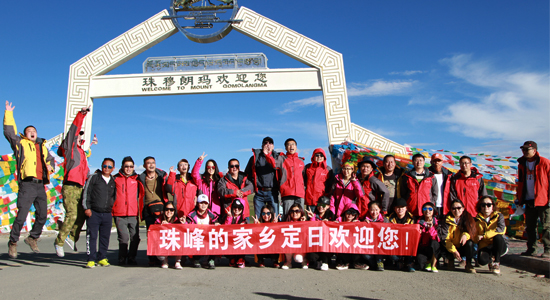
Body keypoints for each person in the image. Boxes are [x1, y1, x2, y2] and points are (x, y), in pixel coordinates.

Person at [4, 101, 54, 258]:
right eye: (29, 131)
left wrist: (50, 167)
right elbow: (9, 133)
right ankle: (13, 242)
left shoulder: (43, 147)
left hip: (40, 185)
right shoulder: (21, 144)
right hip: (27, 184)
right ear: (25, 134)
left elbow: (50, 160)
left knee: (42, 215)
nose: (32, 132)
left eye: (34, 131)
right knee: (22, 214)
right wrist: (9, 114)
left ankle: (32, 238)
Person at [54, 106, 90, 257]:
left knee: (82, 215)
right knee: (72, 215)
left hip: (81, 188)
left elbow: (87, 173)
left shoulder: (82, 153)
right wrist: (81, 115)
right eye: (79, 134)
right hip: (70, 186)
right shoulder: (70, 148)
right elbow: (73, 130)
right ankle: (59, 242)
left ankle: (71, 237)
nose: (81, 136)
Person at [516, 141, 550, 258]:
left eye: (527, 150)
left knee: (546, 226)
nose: (524, 152)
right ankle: (531, 249)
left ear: (534, 150)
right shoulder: (521, 164)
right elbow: (520, 182)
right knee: (530, 226)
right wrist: (519, 198)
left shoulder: (544, 162)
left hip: (543, 200)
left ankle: (548, 249)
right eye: (523, 149)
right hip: (528, 199)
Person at [82, 158, 117, 268]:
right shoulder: (94, 177)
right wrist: (86, 208)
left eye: (109, 167)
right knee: (91, 236)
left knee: (105, 237)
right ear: (101, 166)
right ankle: (91, 259)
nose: (107, 168)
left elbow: (114, 197)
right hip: (94, 212)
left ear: (113, 168)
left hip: (107, 214)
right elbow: (86, 193)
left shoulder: (113, 181)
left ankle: (102, 257)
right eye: (105, 166)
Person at [112, 156, 144, 265]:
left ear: (134, 167)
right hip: (119, 213)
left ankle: (132, 257)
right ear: (122, 167)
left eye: (131, 166)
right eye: (126, 166)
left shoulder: (137, 179)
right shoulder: (115, 178)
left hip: (133, 213)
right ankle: (122, 257)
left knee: (135, 238)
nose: (128, 168)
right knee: (123, 238)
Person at [138, 156, 169, 266]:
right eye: (148, 163)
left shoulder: (162, 176)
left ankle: (162, 258)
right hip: (147, 210)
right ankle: (152, 257)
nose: (151, 165)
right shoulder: (140, 178)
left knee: (161, 235)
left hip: (161, 210)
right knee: (151, 235)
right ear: (144, 166)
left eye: (153, 163)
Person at [245, 136, 283, 218]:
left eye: (270, 143)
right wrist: (252, 187)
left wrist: (268, 155)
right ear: (262, 146)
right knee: (258, 217)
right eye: (265, 143)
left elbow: (277, 168)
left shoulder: (278, 157)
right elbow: (247, 173)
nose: (268, 145)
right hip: (259, 192)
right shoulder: (255, 158)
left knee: (274, 217)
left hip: (273, 192)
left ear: (273, 146)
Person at [440, 199, 477, 273]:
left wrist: (465, 235)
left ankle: (468, 263)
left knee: (470, 243)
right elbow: (445, 238)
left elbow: (472, 232)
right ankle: (450, 260)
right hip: (451, 247)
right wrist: (453, 251)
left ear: (463, 208)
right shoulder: (446, 220)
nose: (456, 210)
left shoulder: (468, 219)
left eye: (459, 208)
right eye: (453, 208)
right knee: (442, 243)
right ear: (450, 209)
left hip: (462, 245)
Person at [474, 196, 508, 274]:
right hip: (485, 245)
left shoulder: (499, 216)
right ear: (480, 207)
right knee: (482, 261)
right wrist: (477, 238)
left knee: (498, 237)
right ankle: (490, 260)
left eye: (489, 205)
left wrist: (484, 235)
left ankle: (496, 262)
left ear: (493, 206)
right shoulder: (476, 219)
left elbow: (501, 229)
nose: (486, 207)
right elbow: (474, 234)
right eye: (483, 205)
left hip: (498, 244)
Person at [186, 194, 219, 269]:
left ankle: (211, 260)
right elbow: (186, 225)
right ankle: (195, 259)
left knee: (214, 240)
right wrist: (183, 222)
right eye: (201, 203)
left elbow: (216, 222)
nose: (203, 205)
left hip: (208, 237)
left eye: (205, 203)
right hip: (196, 237)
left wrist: (216, 224)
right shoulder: (192, 215)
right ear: (197, 204)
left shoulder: (211, 215)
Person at [335, 203, 368, 270]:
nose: (350, 215)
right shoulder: (339, 220)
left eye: (353, 213)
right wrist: (334, 223)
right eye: (348, 212)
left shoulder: (357, 222)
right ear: (345, 212)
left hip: (353, 246)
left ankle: (356, 263)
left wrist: (365, 223)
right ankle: (344, 263)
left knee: (357, 247)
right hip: (342, 245)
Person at [386, 198, 415, 272]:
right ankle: (399, 261)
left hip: (407, 243)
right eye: (398, 207)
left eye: (402, 207)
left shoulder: (412, 218)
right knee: (392, 256)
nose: (400, 209)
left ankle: (408, 263)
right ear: (394, 209)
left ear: (406, 208)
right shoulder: (389, 218)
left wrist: (410, 227)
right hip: (394, 243)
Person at [278, 138, 306, 216]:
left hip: (300, 193)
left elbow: (304, 176)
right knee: (288, 216)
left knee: (300, 216)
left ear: (296, 147)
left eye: (293, 144)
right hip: (287, 192)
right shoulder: (281, 159)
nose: (291, 146)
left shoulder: (301, 161)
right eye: (288, 145)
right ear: (286, 148)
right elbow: (273, 163)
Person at [156, 201, 184, 270]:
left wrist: (183, 223)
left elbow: (185, 231)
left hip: (174, 244)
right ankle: (164, 261)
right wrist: (160, 226)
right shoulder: (159, 220)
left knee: (181, 240)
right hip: (165, 244)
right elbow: (153, 233)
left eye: (171, 210)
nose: (169, 211)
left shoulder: (177, 220)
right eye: (167, 209)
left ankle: (178, 261)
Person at [223, 198, 249, 268]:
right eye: (235, 207)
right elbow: (225, 229)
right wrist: (229, 217)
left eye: (239, 208)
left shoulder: (244, 219)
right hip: (230, 240)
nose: (237, 209)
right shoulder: (228, 216)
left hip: (239, 240)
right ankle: (232, 258)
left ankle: (241, 258)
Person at [281, 203, 308, 270]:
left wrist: (304, 223)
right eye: (292, 211)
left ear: (301, 212)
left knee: (298, 259)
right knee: (286, 245)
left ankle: (304, 261)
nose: (294, 213)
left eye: (297, 211)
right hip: (290, 246)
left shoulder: (305, 222)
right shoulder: (286, 222)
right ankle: (288, 262)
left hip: (300, 247)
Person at [363, 201, 388, 271]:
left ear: (380, 209)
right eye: (372, 210)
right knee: (365, 255)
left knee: (379, 249)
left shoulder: (385, 220)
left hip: (380, 244)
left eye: (376, 210)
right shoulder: (364, 219)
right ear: (368, 210)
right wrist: (363, 223)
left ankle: (380, 262)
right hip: (369, 244)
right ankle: (373, 263)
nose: (374, 212)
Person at [416, 202, 440, 273]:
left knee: (434, 243)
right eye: (425, 209)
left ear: (434, 210)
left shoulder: (437, 222)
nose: (427, 211)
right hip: (423, 246)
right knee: (421, 265)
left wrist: (431, 228)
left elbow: (436, 238)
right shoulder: (418, 222)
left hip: (434, 246)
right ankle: (428, 261)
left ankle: (434, 264)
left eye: (430, 209)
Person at [428, 153, 453, 218]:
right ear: (431, 162)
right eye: (434, 161)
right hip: (431, 206)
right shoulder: (426, 174)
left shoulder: (449, 175)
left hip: (446, 206)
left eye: (438, 161)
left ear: (442, 162)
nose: (436, 163)